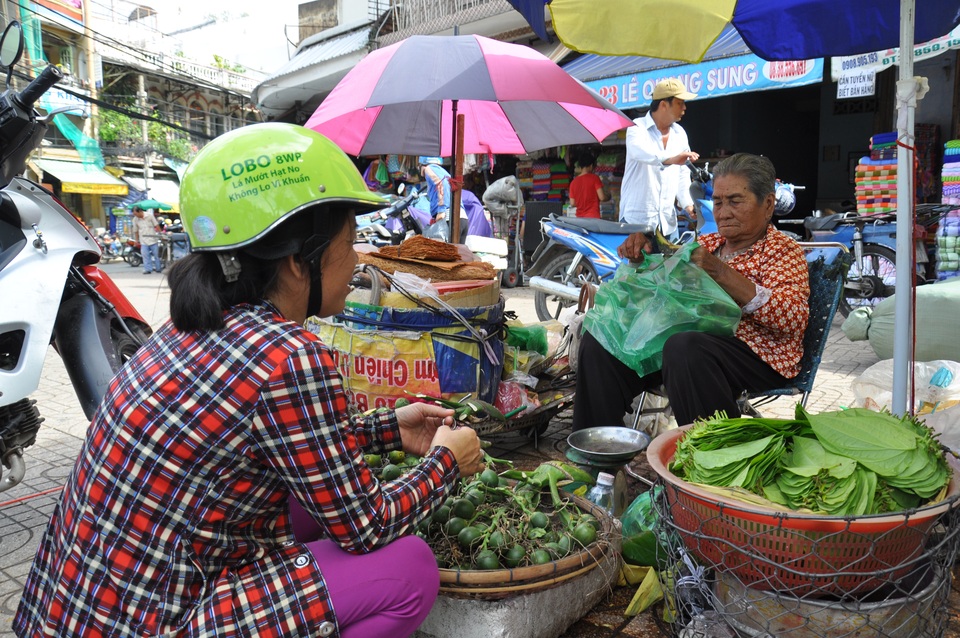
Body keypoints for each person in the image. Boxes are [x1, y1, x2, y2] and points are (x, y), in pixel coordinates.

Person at [15, 123, 484, 638]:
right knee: (409, 568)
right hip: (160, 620)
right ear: (297, 263)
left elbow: (280, 441)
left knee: (308, 507)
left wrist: (387, 429)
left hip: (78, 612)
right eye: (350, 245)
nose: (358, 262)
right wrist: (447, 462)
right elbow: (365, 525)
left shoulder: (191, 327)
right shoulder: (289, 357)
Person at [572, 153, 810, 430]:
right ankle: (599, 454)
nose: (723, 212)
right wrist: (643, 260)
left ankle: (710, 459)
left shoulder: (782, 250)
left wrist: (720, 272)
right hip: (687, 352)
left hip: (757, 354)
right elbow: (667, 288)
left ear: (767, 204)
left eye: (735, 201)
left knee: (685, 347)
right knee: (601, 340)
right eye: (718, 202)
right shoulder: (708, 243)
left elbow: (793, 318)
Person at [619, 78, 701, 239]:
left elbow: (683, 176)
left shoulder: (680, 134)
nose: (684, 107)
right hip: (637, 220)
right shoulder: (637, 127)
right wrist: (672, 159)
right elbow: (642, 153)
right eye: (679, 103)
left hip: (667, 223)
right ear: (664, 104)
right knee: (634, 264)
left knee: (673, 264)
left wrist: (688, 204)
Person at [568, 152, 609, 219]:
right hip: (593, 218)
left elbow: (572, 203)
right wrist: (608, 197)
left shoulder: (573, 183)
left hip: (580, 219)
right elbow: (602, 197)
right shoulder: (595, 178)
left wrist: (582, 203)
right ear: (591, 166)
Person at [131, 204, 163, 274]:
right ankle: (148, 269)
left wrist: (161, 234)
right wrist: (136, 240)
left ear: (140, 211)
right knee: (145, 255)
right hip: (143, 240)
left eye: (136, 214)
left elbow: (156, 225)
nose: (135, 215)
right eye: (134, 214)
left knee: (156, 255)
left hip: (153, 239)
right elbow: (136, 231)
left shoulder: (149, 216)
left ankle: (158, 268)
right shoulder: (135, 220)